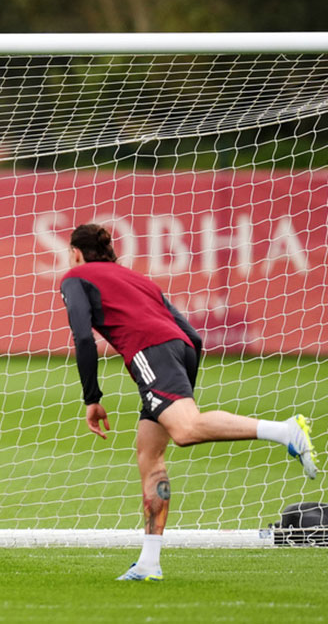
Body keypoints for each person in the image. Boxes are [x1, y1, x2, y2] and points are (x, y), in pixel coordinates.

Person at [59, 223, 318, 582]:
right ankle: (149, 563)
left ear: (76, 252)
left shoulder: (75, 277)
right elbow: (192, 335)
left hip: (150, 352)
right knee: (150, 455)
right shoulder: (138, 279)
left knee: (185, 429)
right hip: (180, 348)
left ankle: (285, 431)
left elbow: (83, 339)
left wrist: (92, 398)